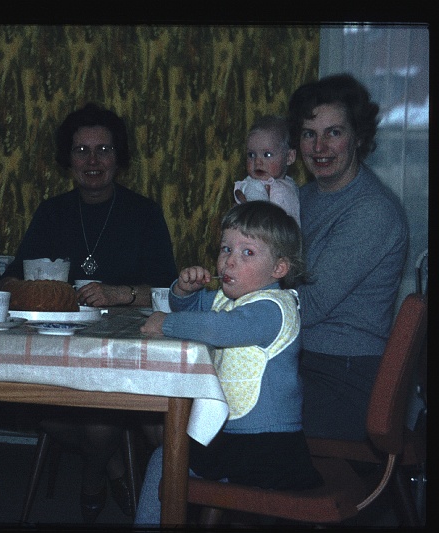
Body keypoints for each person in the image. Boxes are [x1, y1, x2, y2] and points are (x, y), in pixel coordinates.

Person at [0, 102, 178, 521]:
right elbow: (8, 281)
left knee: (102, 422)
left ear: (119, 158)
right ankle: (111, 465)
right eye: (81, 151)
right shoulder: (52, 212)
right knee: (35, 402)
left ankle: (95, 473)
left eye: (103, 150)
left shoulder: (144, 214)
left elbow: (169, 293)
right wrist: (43, 293)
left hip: (127, 358)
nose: (92, 161)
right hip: (55, 354)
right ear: (68, 160)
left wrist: (120, 294)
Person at [135, 201, 322, 525]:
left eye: (247, 252)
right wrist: (183, 290)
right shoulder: (229, 298)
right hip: (235, 439)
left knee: (168, 458)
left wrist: (164, 323)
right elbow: (193, 310)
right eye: (226, 248)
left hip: (268, 446)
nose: (229, 260)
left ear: (279, 268)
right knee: (168, 457)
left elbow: (216, 328)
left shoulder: (273, 309)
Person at [288, 74, 408, 441]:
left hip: (344, 380)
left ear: (358, 137)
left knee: (208, 421)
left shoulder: (372, 210)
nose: (320, 146)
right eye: (309, 133)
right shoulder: (302, 198)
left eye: (334, 132)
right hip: (301, 364)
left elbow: (307, 304)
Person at [234, 115, 300, 224]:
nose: (257, 162)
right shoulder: (254, 186)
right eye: (251, 155)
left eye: (267, 154)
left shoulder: (290, 185)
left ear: (289, 157)